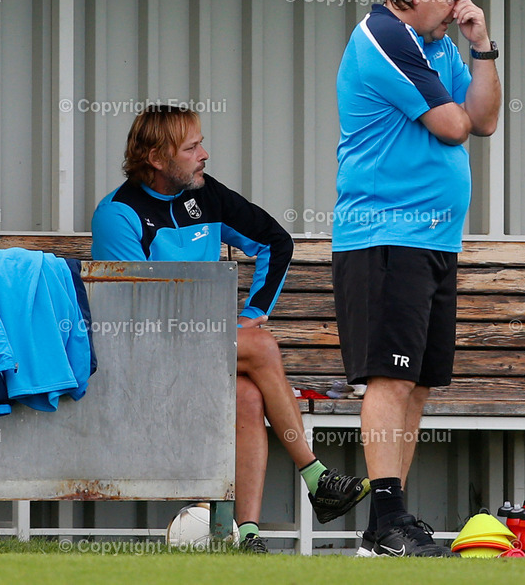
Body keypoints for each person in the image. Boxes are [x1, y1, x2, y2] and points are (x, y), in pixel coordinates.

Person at [92, 105, 369, 554]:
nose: (205, 153)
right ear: (158, 158)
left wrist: (251, 312)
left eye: (200, 142)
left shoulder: (205, 193)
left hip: (203, 349)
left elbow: (276, 242)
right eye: (192, 147)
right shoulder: (118, 214)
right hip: (142, 358)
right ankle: (316, 476)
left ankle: (248, 534)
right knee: (259, 346)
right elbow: (131, 314)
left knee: (248, 396)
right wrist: (236, 332)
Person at [333, 0, 502, 557]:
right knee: (389, 377)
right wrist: (458, 102)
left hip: (432, 240)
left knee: (420, 382)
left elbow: (482, 119)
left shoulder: (437, 46)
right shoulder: (385, 36)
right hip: (384, 236)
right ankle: (384, 522)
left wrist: (481, 45)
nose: (462, 6)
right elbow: (452, 126)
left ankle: (393, 520)